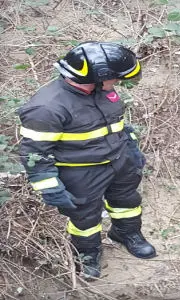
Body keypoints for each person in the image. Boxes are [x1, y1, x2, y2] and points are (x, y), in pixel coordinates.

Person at [16, 41, 156, 280]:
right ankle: (87, 254)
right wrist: (49, 186)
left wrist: (131, 147)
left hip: (119, 161)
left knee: (127, 202)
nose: (118, 82)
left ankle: (126, 233)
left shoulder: (100, 89)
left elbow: (115, 124)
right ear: (96, 76)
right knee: (84, 217)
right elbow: (34, 154)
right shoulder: (47, 107)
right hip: (81, 171)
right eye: (115, 77)